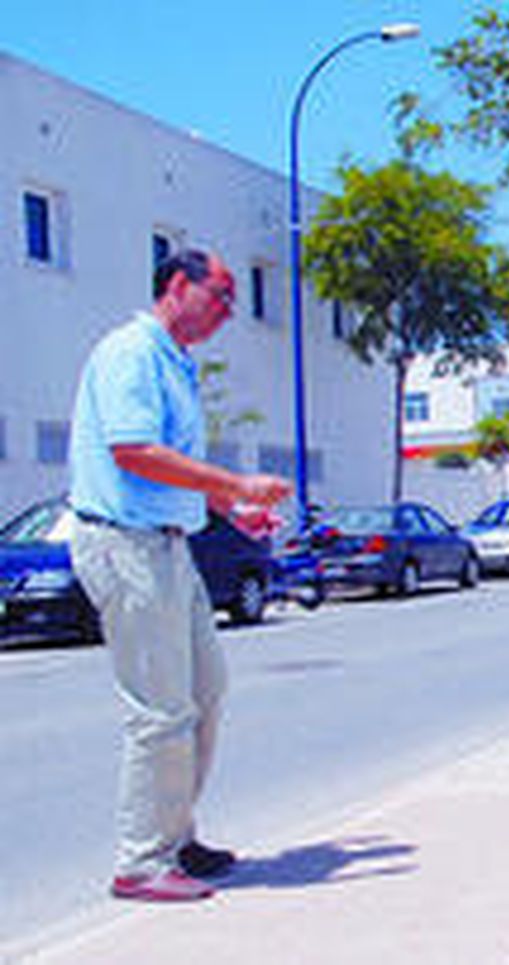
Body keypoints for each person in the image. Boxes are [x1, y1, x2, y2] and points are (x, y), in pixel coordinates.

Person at [67, 249, 291, 902]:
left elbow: (174, 463)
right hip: (125, 545)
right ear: (177, 285)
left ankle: (175, 833)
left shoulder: (176, 363)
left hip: (168, 544)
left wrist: (230, 509)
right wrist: (238, 480)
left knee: (205, 690)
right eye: (221, 294)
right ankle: (141, 860)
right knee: (161, 708)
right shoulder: (129, 351)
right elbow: (134, 452)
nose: (229, 310)